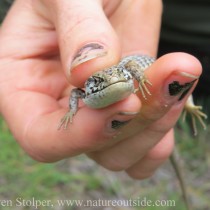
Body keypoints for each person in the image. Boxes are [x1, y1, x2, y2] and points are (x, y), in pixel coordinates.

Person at [0, 0, 203, 179]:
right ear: (92, 85)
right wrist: (72, 111)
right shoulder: (87, 91)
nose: (111, 79)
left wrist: (141, 78)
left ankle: (191, 106)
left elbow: (130, 67)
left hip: (159, 58)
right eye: (99, 80)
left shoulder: (124, 73)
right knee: (171, 88)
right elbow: (76, 92)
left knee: (179, 77)